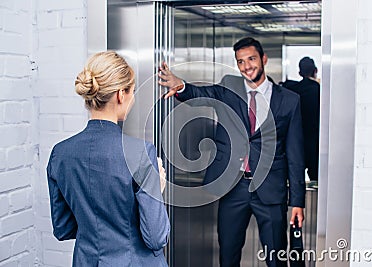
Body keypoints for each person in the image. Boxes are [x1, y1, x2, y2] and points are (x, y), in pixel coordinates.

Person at [159, 37, 305, 267]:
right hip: (234, 186)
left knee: (276, 256)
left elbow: (296, 154)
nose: (247, 66)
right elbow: (201, 94)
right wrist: (181, 86)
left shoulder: (289, 100)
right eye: (240, 62)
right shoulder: (229, 88)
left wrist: (298, 201)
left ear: (263, 59)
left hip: (270, 188)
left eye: (251, 59)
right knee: (228, 253)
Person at [46, 51, 170, 266]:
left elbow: (63, 228)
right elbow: (156, 237)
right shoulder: (140, 152)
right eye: (132, 91)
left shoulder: (60, 153)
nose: (132, 98)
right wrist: (156, 190)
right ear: (121, 94)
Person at [282, 56, 320, 181]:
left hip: (295, 142)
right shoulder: (319, 90)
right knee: (316, 181)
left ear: (299, 72)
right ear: (315, 70)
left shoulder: (292, 90)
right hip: (314, 143)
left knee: (293, 180)